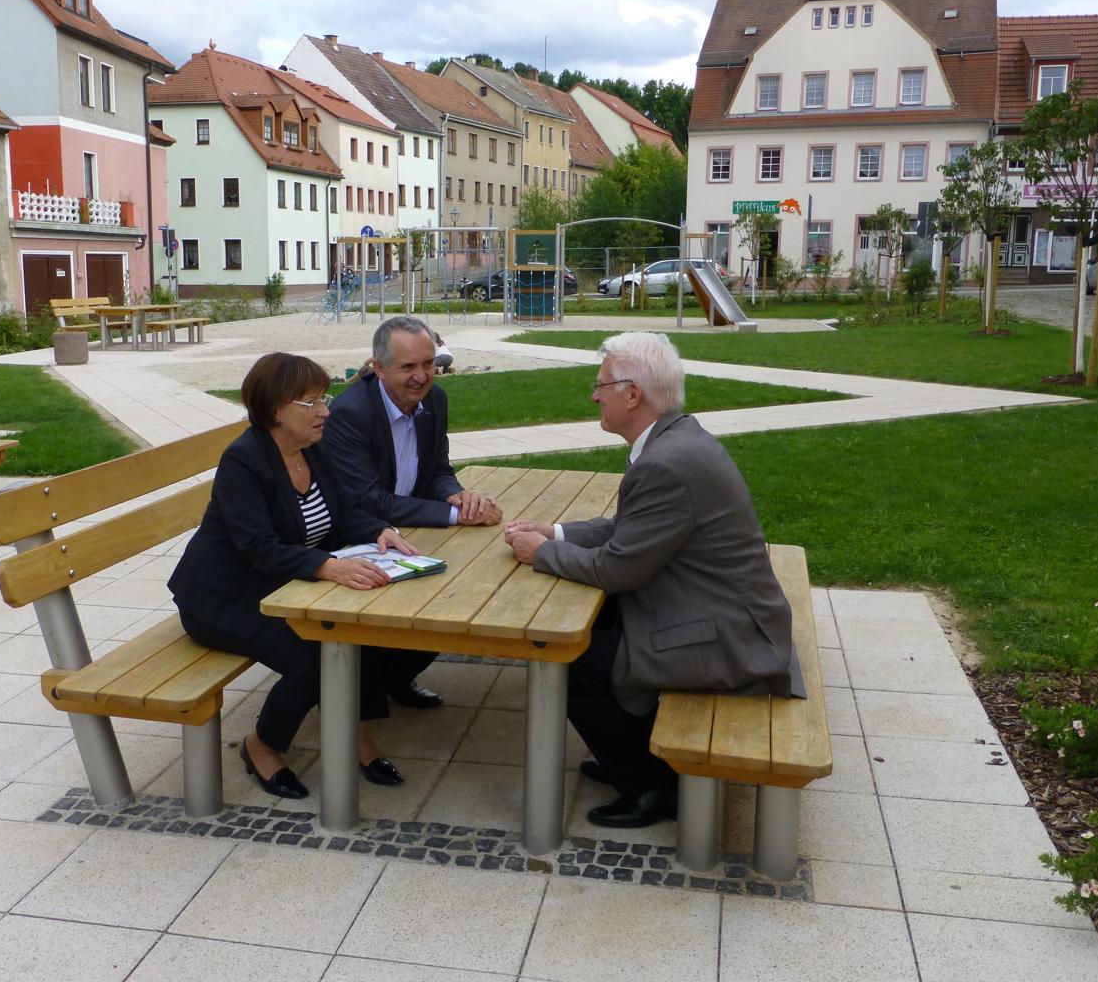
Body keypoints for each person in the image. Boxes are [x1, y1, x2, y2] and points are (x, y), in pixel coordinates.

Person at [503, 332, 801, 829]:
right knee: (597, 632)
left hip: (732, 639)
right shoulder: (673, 439)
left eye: (601, 385)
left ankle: (652, 784)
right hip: (730, 613)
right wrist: (555, 531)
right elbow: (631, 529)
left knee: (568, 657)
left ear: (632, 394)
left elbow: (618, 569)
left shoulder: (664, 462)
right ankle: (635, 752)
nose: (594, 394)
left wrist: (543, 553)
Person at [168, 352, 427, 799]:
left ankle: (358, 739)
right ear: (274, 411)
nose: (325, 410)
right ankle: (262, 746)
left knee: (357, 633)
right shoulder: (244, 461)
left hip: (278, 586)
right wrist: (329, 566)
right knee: (314, 657)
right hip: (222, 598)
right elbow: (257, 547)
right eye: (310, 402)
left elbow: (343, 510)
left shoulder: (312, 447)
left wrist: (380, 531)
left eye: (323, 398)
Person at [322, 314, 500, 708]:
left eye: (429, 364)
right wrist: (458, 516)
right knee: (438, 590)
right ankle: (364, 697)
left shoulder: (435, 400)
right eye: (408, 367)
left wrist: (456, 495)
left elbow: (439, 470)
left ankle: (396, 678)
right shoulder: (352, 413)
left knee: (462, 589)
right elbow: (370, 500)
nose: (422, 376)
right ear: (379, 368)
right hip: (358, 535)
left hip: (408, 531)